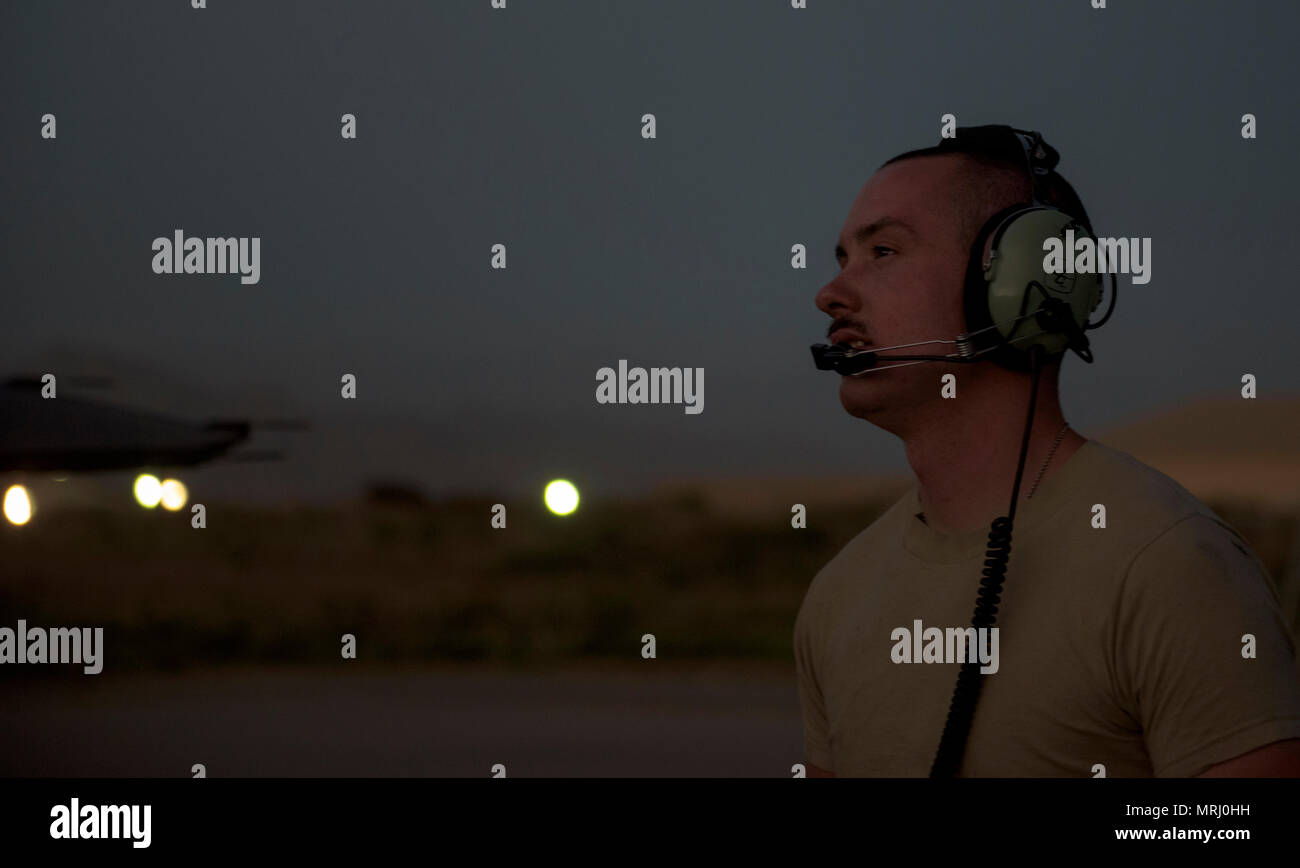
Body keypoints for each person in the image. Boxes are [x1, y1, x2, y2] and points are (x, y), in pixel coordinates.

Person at [796, 125, 1300, 777]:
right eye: (842, 259)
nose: (830, 294)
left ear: (1025, 283)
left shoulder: (1170, 564)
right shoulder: (836, 595)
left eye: (883, 251)